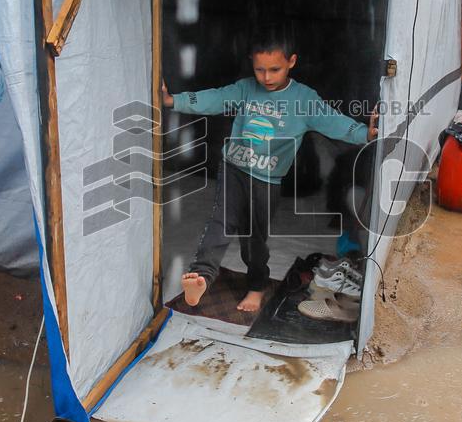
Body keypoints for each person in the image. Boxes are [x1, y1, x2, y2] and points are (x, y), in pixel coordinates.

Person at [162, 31, 378, 312]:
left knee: (253, 239)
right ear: (252, 63)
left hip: (266, 181)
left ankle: (256, 286)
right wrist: (173, 101)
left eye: (274, 69)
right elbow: (215, 99)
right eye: (259, 69)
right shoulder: (245, 89)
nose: (266, 77)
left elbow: (332, 121)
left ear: (291, 62)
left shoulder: (303, 100)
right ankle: (201, 276)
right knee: (220, 224)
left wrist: (365, 133)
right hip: (233, 170)